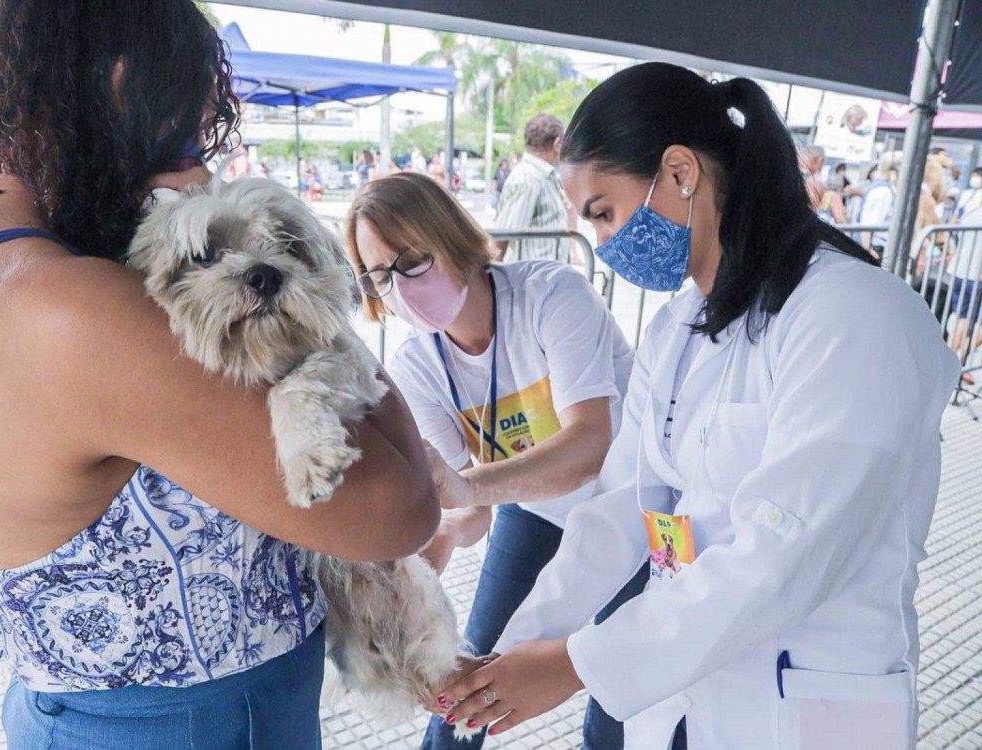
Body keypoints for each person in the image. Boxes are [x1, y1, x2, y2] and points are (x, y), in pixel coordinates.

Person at [0, 3, 438, 749]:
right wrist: (318, 308)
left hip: (62, 710)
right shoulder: (82, 310)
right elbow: (400, 512)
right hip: (199, 724)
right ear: (124, 86)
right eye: (191, 129)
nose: (199, 167)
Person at [435, 62, 958, 750]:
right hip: (684, 703)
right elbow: (620, 509)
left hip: (809, 704)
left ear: (680, 172)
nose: (604, 244)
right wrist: (511, 653)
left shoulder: (854, 316)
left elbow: (788, 548)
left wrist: (575, 664)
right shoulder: (678, 328)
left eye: (604, 213)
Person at [344, 172, 634, 750]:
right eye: (379, 276)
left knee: (618, 679)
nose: (399, 288)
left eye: (410, 262)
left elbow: (590, 444)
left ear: (449, 236)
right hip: (534, 509)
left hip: (629, 505)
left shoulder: (553, 296)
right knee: (471, 675)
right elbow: (466, 511)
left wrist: (468, 488)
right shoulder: (417, 365)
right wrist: (422, 569)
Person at [494, 115, 572, 263]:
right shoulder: (529, 179)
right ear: (557, 143)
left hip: (547, 273)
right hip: (533, 275)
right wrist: (490, 275)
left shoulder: (544, 176)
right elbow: (503, 237)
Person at [949, 167, 982, 381]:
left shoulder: (968, 197)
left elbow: (953, 224)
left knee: (962, 317)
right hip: (976, 271)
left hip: (960, 267)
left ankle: (950, 361)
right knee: (968, 319)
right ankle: (957, 362)